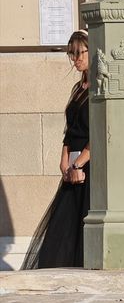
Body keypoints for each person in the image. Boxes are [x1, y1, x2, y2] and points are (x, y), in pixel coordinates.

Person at [22, 30, 91, 269]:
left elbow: (99, 133)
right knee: (62, 223)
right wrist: (64, 160)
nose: (75, 59)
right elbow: (70, 129)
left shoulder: (99, 90)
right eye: (72, 54)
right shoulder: (78, 89)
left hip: (87, 166)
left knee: (82, 220)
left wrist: (79, 162)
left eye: (79, 53)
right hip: (72, 163)